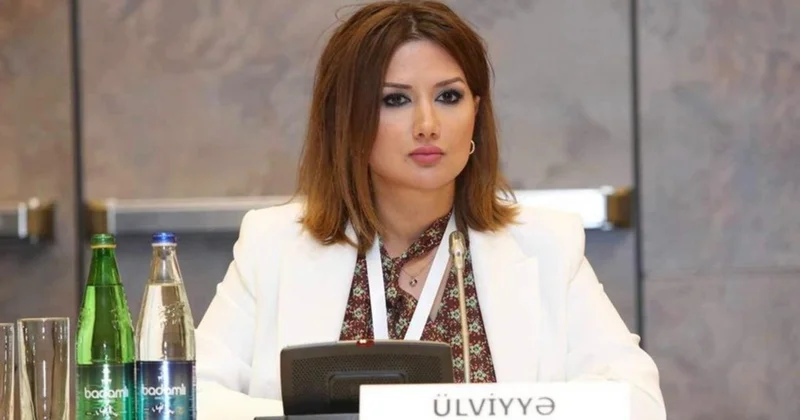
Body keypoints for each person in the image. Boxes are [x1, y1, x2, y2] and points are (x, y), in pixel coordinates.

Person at [195, 1, 666, 419]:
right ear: (346, 119)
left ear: (476, 111)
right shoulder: (272, 245)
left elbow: (636, 402)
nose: (427, 124)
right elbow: (189, 398)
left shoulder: (547, 246)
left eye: (448, 97)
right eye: (395, 99)